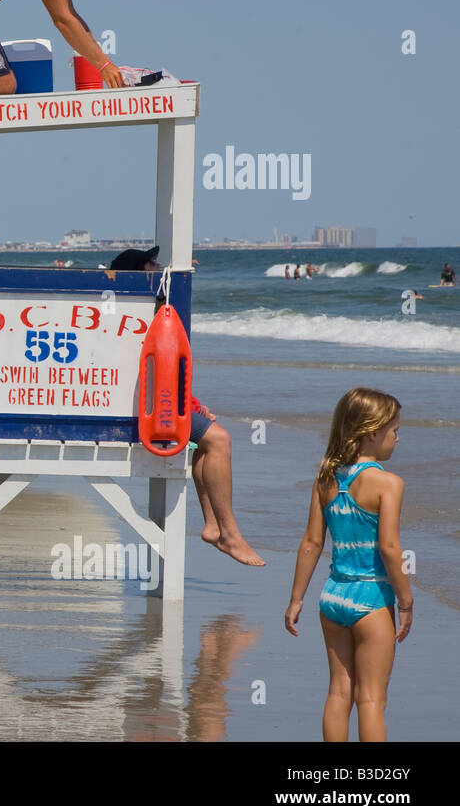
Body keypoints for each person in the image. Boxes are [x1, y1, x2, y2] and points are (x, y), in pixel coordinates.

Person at [110, 246, 266, 566]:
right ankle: (230, 533)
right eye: (152, 263)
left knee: (206, 443)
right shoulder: (148, 313)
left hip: (135, 403)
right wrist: (187, 405)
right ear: (141, 272)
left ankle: (212, 526)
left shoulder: (124, 312)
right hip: (144, 411)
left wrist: (190, 404)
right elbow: (158, 372)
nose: (160, 266)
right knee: (219, 439)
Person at [285, 388, 411, 742]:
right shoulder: (388, 483)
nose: (397, 438)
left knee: (339, 692)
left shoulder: (326, 480)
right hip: (371, 600)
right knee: (371, 699)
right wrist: (405, 600)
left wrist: (296, 599)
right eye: (394, 430)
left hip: (332, 598)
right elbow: (388, 547)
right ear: (372, 432)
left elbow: (311, 543)